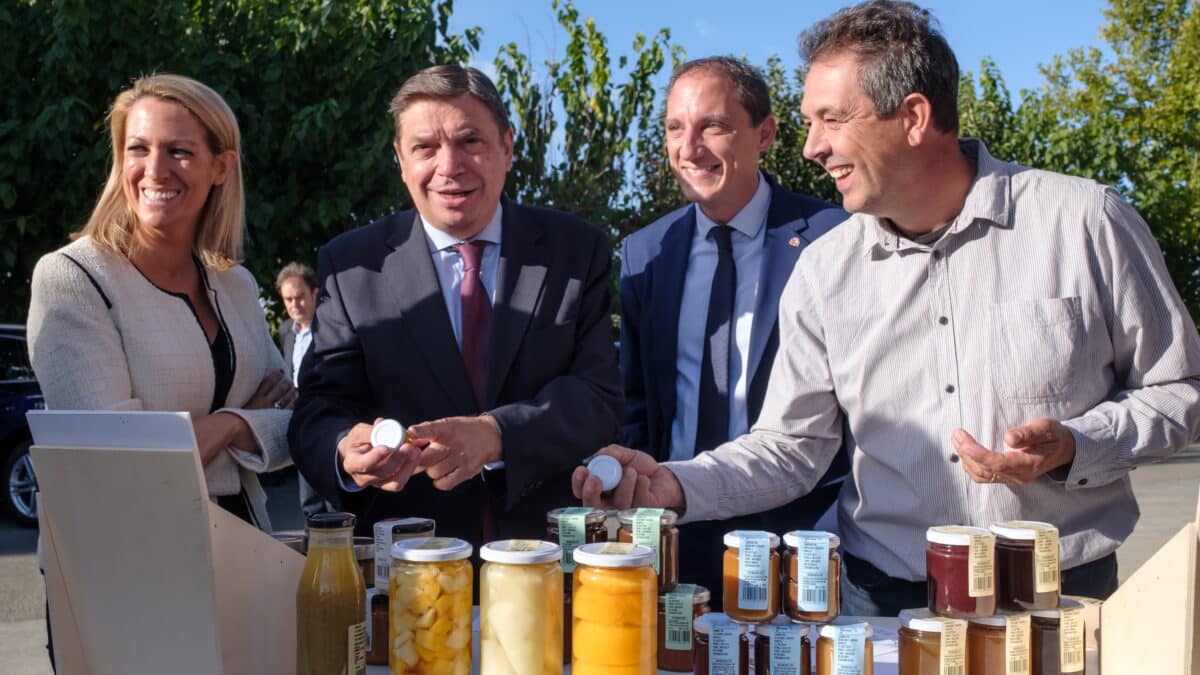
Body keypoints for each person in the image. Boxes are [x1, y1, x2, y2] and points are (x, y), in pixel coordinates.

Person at [575, 0, 1200, 617]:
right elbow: (793, 446)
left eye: (831, 119)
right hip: (880, 610)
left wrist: (1077, 444)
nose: (811, 147)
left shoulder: (1084, 221)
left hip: (1059, 600)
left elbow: (1181, 389)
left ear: (914, 116)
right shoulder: (825, 269)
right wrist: (679, 484)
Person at [288, 65, 622, 552]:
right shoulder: (351, 265)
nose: (449, 165)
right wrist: (344, 448)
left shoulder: (576, 251)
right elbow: (318, 410)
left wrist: (497, 434)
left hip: (549, 556)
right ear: (400, 160)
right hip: (409, 565)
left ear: (507, 148)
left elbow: (599, 398)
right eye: (425, 147)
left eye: (470, 141)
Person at [617, 56, 849, 608]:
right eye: (675, 127)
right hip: (677, 527)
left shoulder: (833, 237)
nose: (689, 147)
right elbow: (638, 402)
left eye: (713, 126)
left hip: (799, 534)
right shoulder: (644, 253)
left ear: (763, 133)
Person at [28, 73, 295, 531]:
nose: (155, 170)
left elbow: (290, 419)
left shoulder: (238, 286)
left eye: (179, 151)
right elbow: (120, 467)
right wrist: (235, 423)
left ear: (221, 168)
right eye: (138, 148)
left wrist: (204, 434)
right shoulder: (73, 278)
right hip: (126, 560)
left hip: (245, 542)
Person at [275, 262, 329, 516]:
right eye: (288, 299)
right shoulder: (287, 331)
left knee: (333, 499)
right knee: (308, 500)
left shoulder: (332, 327)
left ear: (314, 294)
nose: (294, 305)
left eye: (300, 297)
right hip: (298, 419)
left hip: (327, 418)